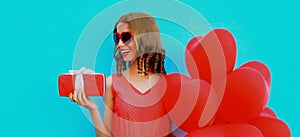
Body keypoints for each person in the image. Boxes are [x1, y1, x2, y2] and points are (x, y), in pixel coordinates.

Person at [69, 12, 175, 137]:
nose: (119, 44)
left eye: (125, 37)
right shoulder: (111, 84)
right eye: (116, 38)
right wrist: (93, 109)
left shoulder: (168, 85)